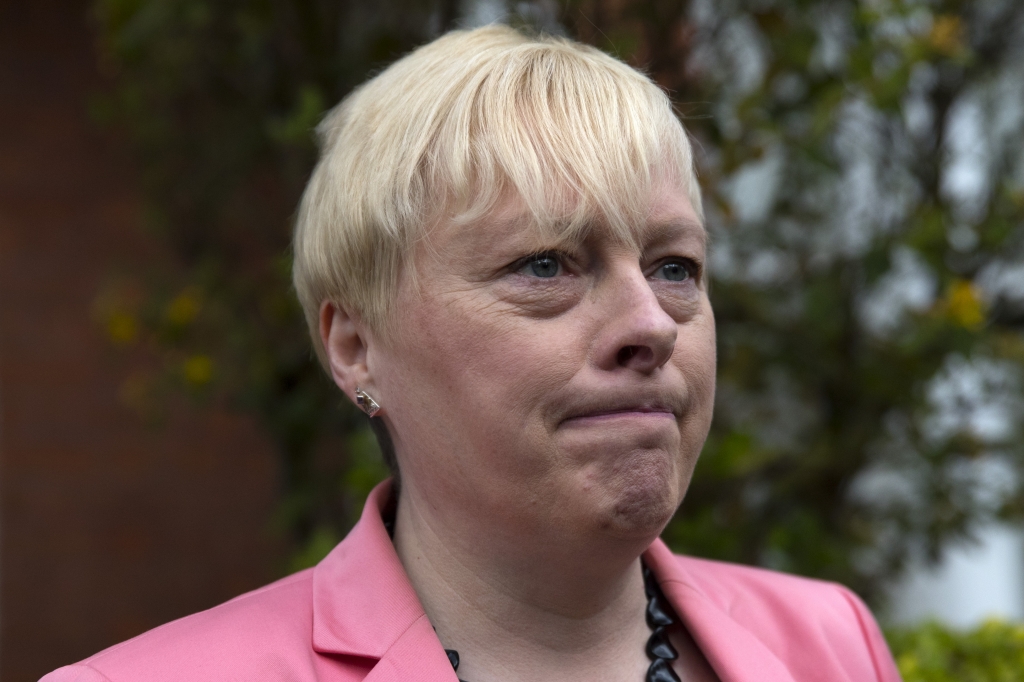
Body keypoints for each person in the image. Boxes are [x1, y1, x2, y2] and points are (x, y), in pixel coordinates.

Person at [42, 25, 901, 682]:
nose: (652, 323)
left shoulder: (829, 644)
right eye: (544, 265)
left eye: (674, 267)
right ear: (355, 347)